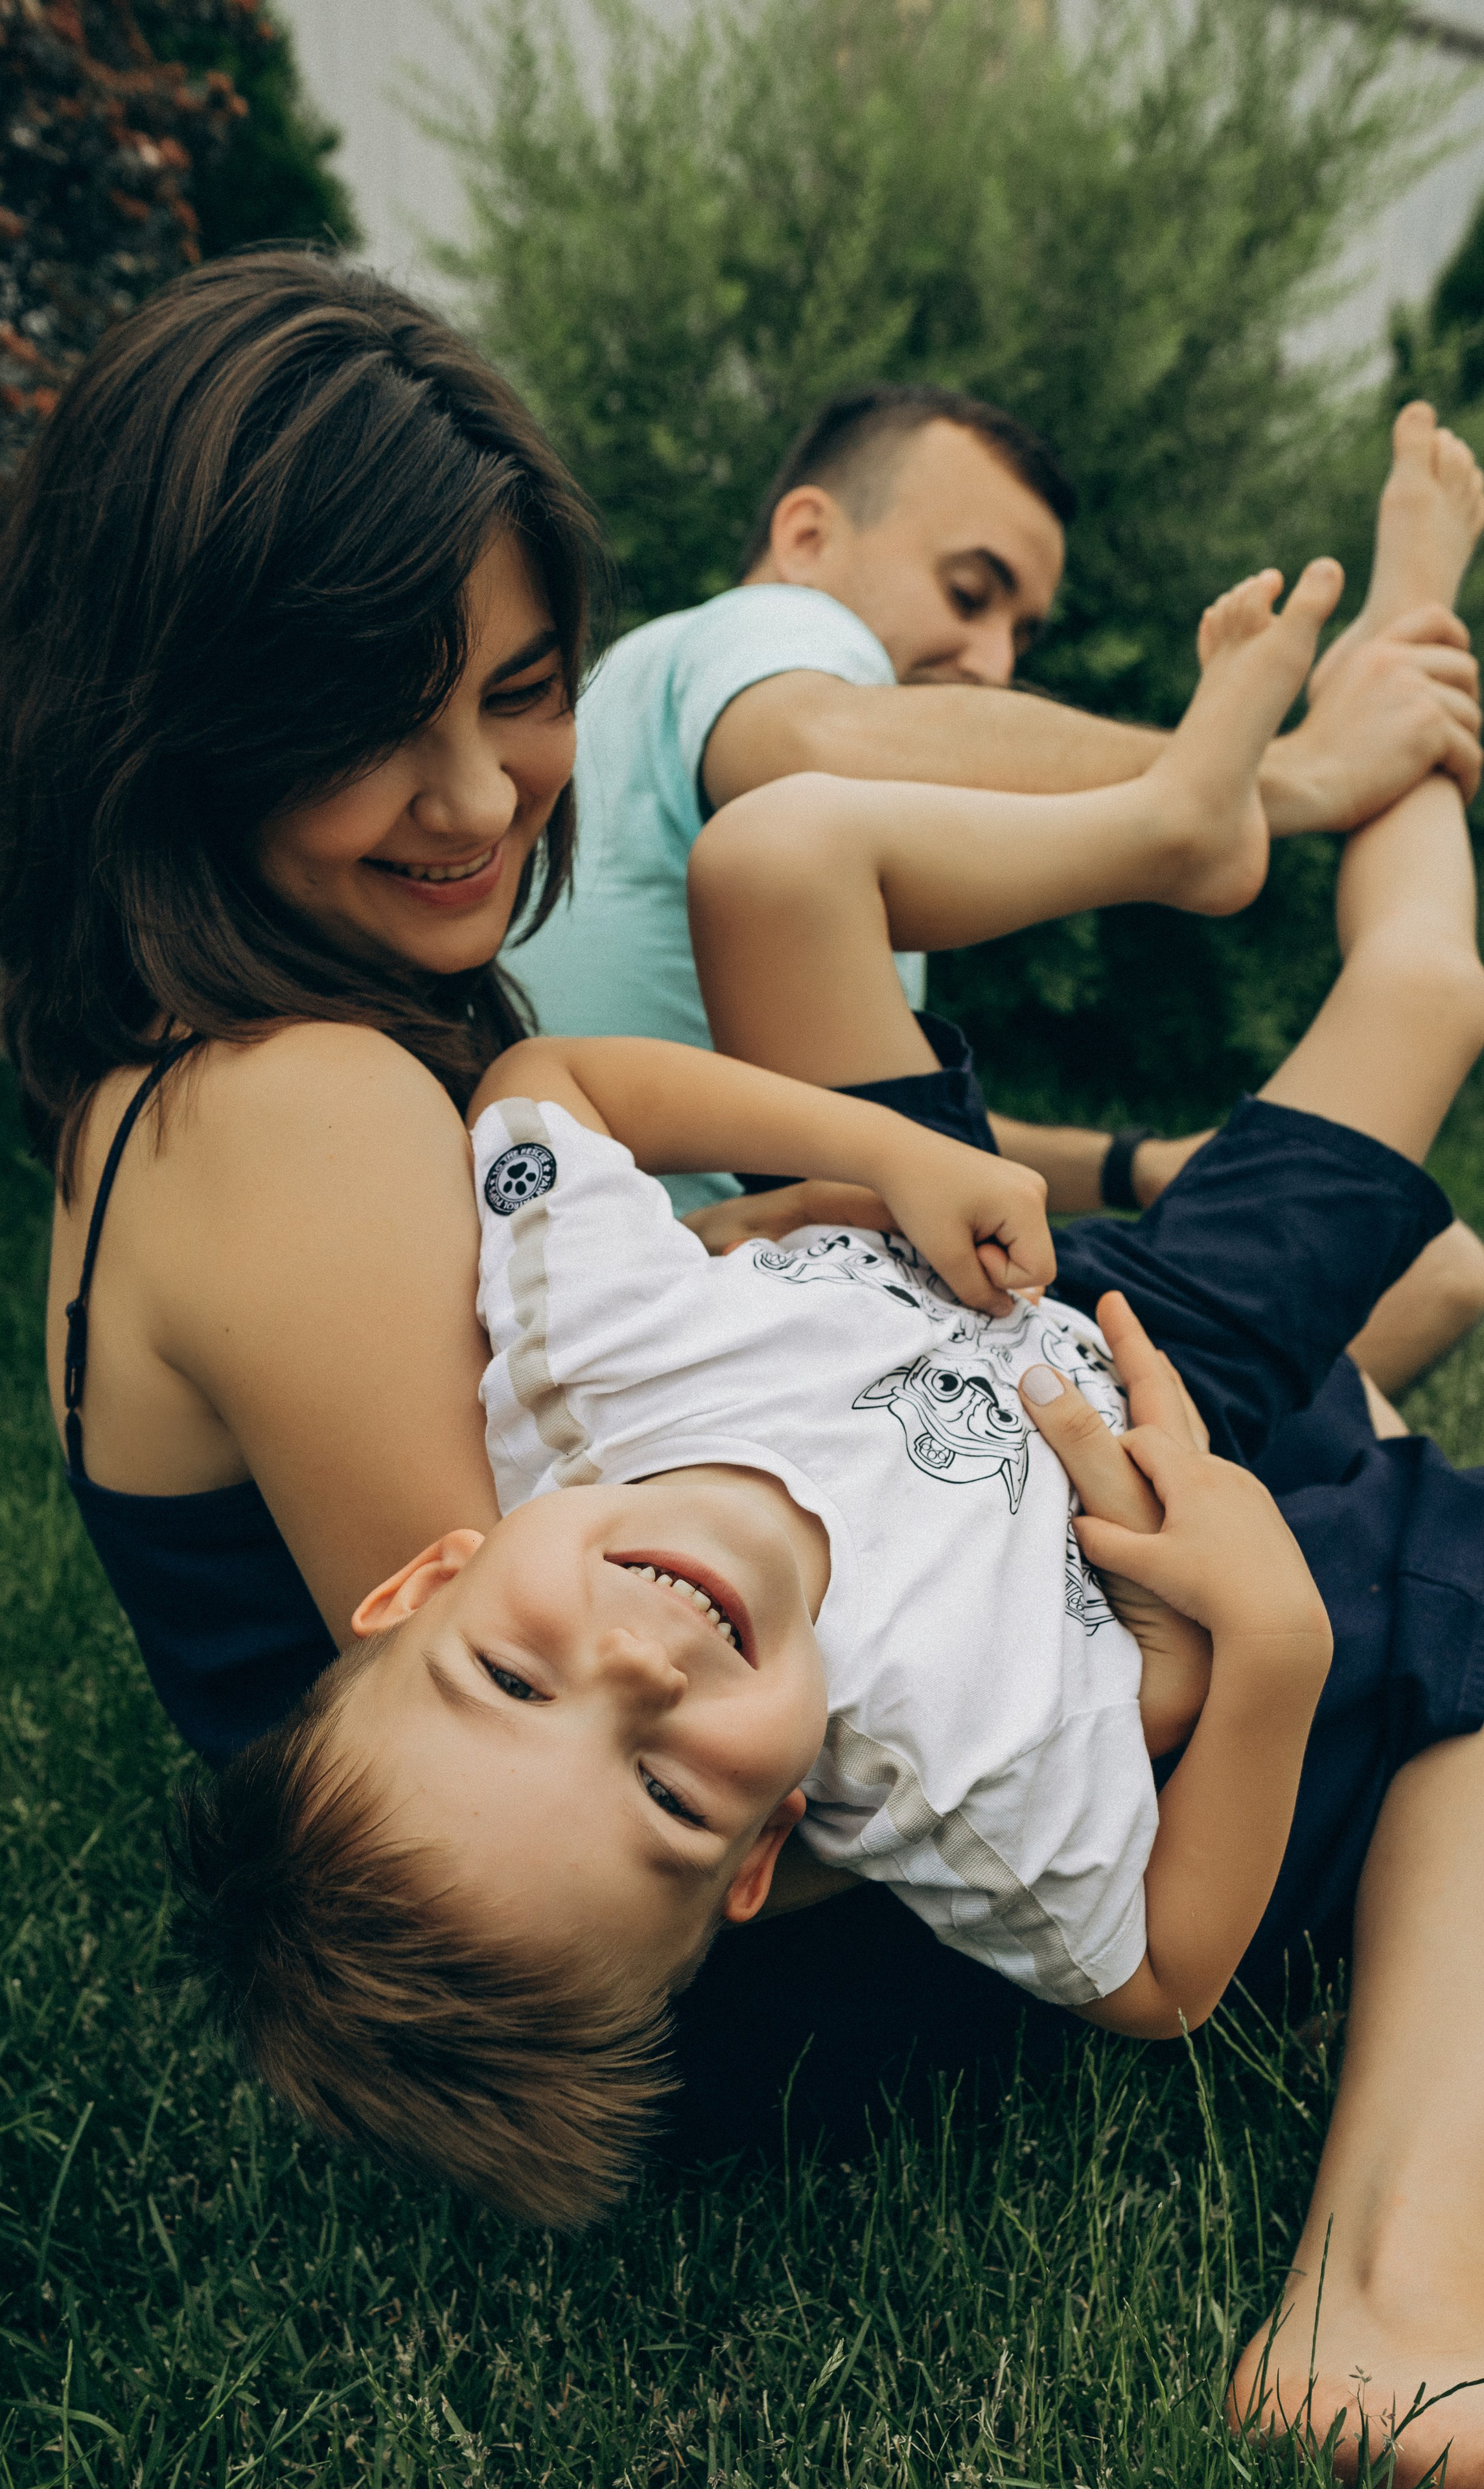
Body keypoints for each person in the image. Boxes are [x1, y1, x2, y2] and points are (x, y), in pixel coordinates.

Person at [174, 562, 1484, 2478]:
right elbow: (1162, 1978)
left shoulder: (577, 1382)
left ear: (435, 1571)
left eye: (517, 1678)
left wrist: (865, 1159)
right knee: (1429, 990)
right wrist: (1266, 1648)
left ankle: (1226, 800)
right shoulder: (944, 1756)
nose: (639, 1664)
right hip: (1164, 1347)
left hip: (937, 1238)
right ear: (776, 1841)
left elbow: (552, 1085)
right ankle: (1430, 700)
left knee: (777, 860)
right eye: (670, 1790)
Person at [512, 381, 1484, 1394]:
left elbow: (865, 1126)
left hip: (802, 1285)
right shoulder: (765, 630)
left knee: (1437, 1272)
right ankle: (1361, 684)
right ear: (806, 536)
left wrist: (1126, 1166)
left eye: (1022, 634)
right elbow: (807, 745)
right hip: (749, 1310)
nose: (994, 661)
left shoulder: (670, 744)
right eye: (971, 592)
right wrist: (1289, 771)